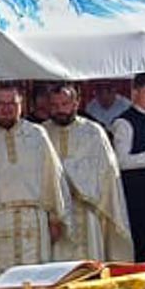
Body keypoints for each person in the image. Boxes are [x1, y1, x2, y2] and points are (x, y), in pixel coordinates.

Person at [0, 84, 67, 273]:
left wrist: (55, 218)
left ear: (21, 105)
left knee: (35, 279)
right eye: (0, 103)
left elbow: (52, 176)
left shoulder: (37, 135)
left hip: (34, 221)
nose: (6, 108)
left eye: (12, 103)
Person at [44, 84, 134, 262]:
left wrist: (69, 175)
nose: (60, 110)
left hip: (88, 210)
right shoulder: (41, 133)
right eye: (55, 105)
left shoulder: (93, 132)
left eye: (65, 104)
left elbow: (107, 173)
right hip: (54, 215)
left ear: (76, 103)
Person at [110, 72, 145, 265]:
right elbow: (121, 161)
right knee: (141, 248)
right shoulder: (123, 122)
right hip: (135, 197)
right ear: (135, 93)